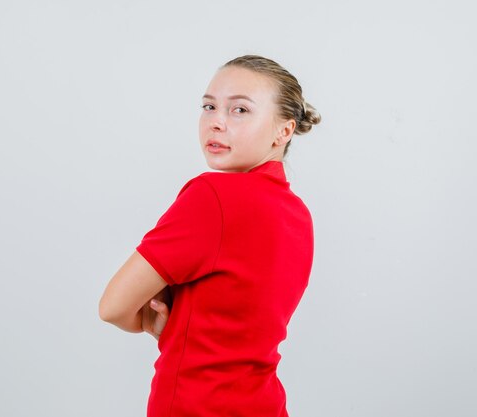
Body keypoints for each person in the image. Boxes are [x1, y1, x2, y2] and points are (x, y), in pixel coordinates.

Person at [99, 54, 321, 417]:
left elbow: (112, 307)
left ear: (284, 131)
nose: (216, 122)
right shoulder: (297, 214)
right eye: (209, 106)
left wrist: (152, 324)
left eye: (240, 111)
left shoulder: (212, 196)